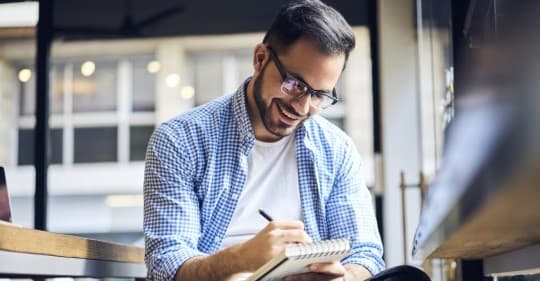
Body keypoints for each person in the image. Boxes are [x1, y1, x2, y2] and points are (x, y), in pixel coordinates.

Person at [143, 0, 385, 280]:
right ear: (260, 59)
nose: (303, 107)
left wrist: (345, 277)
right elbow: (166, 264)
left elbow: (365, 254)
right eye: (295, 84)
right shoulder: (180, 140)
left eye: (319, 95)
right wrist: (240, 259)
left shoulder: (337, 150)